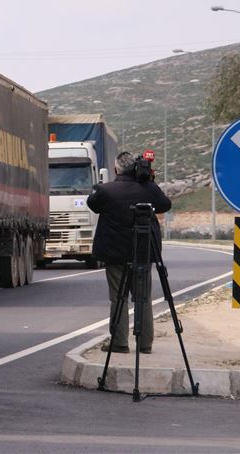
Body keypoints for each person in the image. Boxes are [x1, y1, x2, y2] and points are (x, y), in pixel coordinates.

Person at [86, 151, 171, 354]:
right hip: (143, 253)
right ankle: (145, 344)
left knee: (118, 298)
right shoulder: (148, 189)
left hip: (115, 255)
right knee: (143, 299)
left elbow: (92, 204)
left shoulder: (106, 191)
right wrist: (149, 181)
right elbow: (165, 205)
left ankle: (119, 342)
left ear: (116, 169)